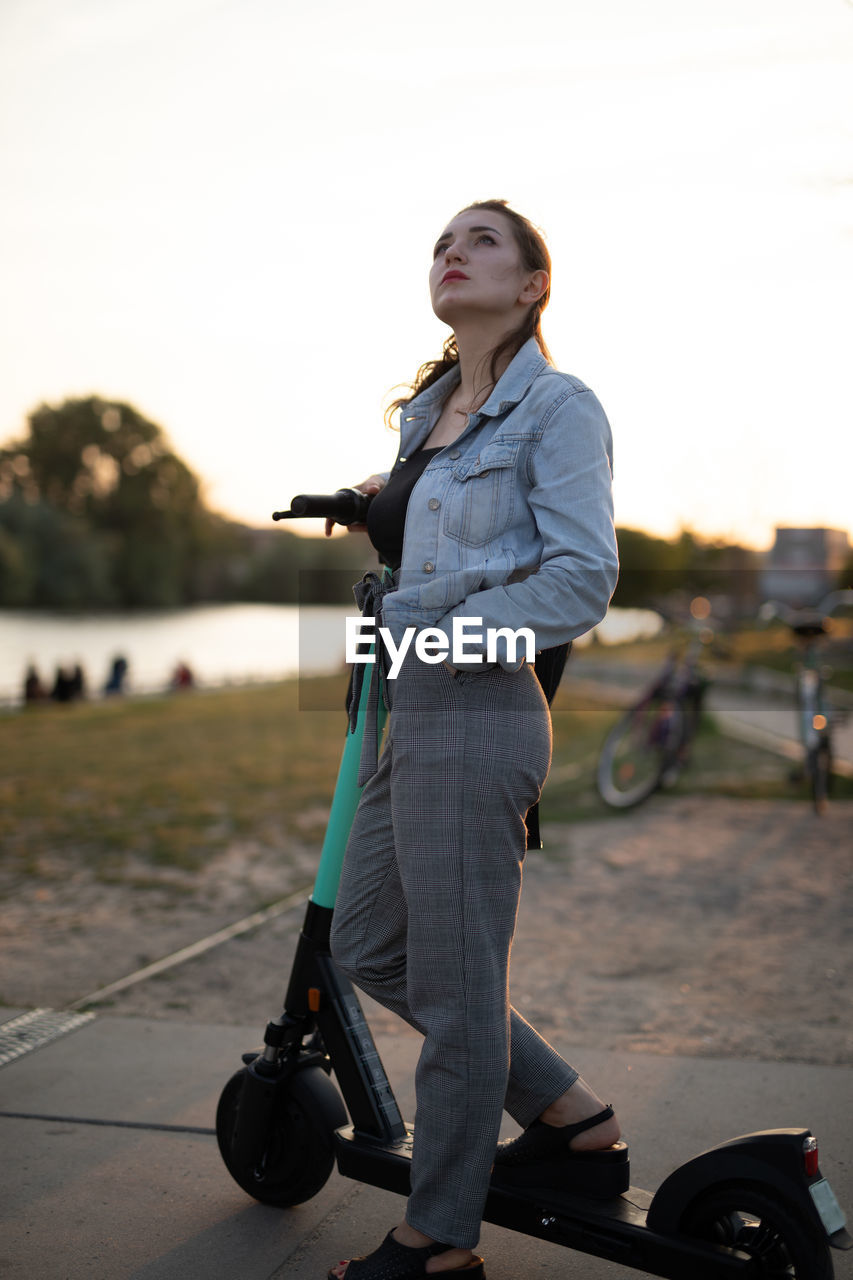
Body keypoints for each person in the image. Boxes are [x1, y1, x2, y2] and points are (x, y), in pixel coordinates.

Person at [326, 200, 622, 1280]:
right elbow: (434, 510)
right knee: (366, 942)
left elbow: (581, 575)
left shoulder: (558, 407)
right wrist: (370, 496)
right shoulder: (431, 410)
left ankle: (437, 1237)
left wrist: (454, 627)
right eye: (441, 242)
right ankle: (573, 1116)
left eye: (480, 240)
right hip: (413, 707)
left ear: (533, 284)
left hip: (483, 706)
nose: (451, 251)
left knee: (454, 994)